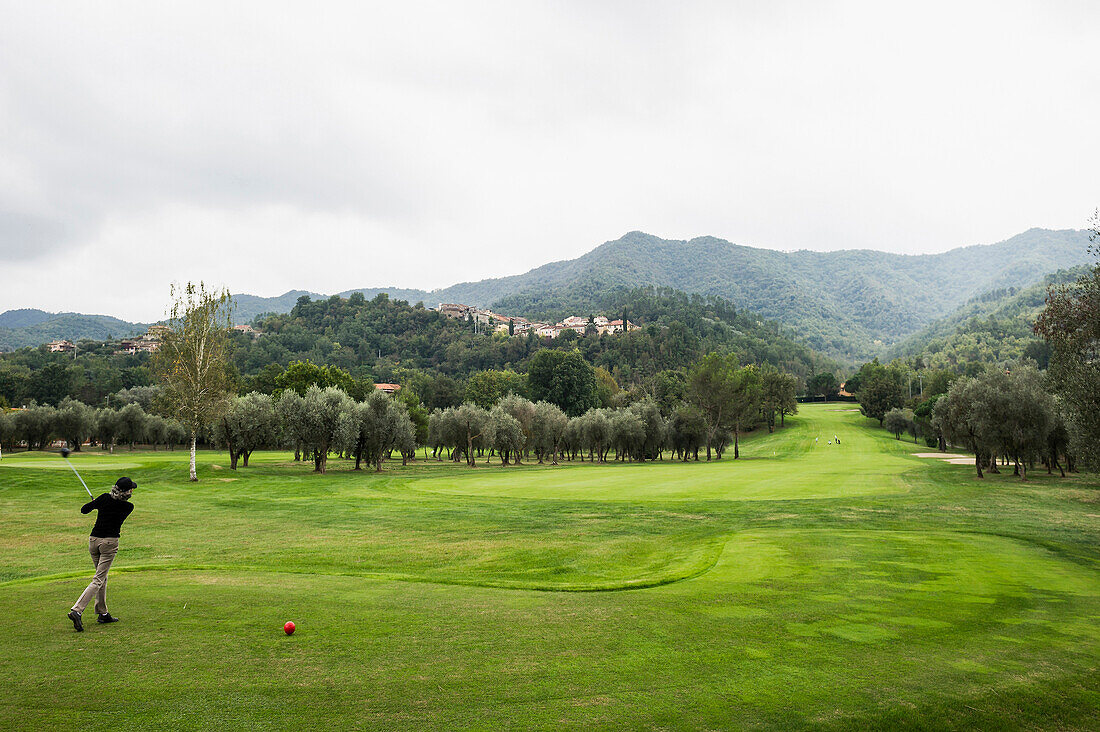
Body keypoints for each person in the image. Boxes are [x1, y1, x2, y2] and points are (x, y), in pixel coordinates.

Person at [67, 477, 136, 631]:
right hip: (109, 544)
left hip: (94, 541)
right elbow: (113, 507)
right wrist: (100, 503)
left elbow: (84, 509)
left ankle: (103, 613)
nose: (132, 491)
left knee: (101, 577)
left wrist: (96, 503)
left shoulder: (104, 498)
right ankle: (77, 610)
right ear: (126, 492)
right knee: (98, 579)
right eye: (131, 489)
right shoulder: (128, 506)